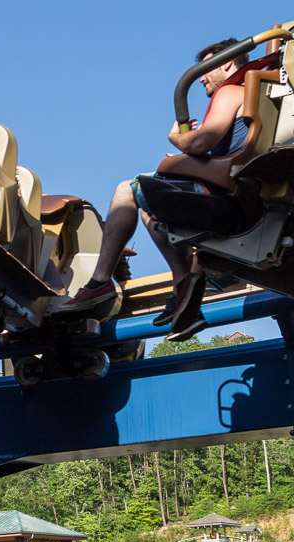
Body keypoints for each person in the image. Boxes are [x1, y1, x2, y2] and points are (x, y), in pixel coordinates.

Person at [59, 38, 251, 342]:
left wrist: (179, 139)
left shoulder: (231, 91)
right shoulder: (258, 95)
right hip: (233, 195)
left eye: (205, 69)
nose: (201, 76)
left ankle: (99, 283)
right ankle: (183, 282)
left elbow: (201, 144)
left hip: (222, 200)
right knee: (149, 198)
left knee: (128, 188)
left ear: (226, 63)